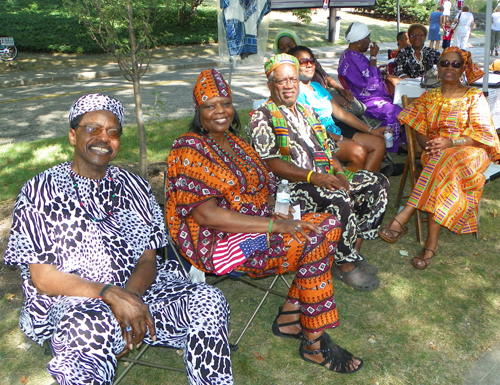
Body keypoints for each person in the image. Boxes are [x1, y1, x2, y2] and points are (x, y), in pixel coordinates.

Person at [4, 93, 234, 385]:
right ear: (73, 136)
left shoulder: (134, 186)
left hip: (139, 292)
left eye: (113, 132)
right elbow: (43, 278)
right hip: (77, 302)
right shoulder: (39, 190)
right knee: (87, 328)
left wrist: (131, 299)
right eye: (93, 129)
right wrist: (109, 294)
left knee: (208, 298)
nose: (104, 138)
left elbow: (148, 257)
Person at [166, 69, 364, 373]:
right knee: (314, 240)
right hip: (218, 242)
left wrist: (280, 210)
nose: (220, 111)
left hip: (259, 222)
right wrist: (277, 226)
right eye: (210, 106)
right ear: (198, 111)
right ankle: (312, 341)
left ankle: (290, 318)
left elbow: (266, 188)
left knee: (327, 224)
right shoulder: (188, 148)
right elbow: (207, 216)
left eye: (225, 103)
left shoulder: (238, 144)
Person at [247, 54, 390, 291]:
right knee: (338, 197)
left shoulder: (305, 110)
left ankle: (351, 250)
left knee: (378, 183)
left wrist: (340, 172)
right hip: (290, 188)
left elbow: (326, 148)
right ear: (270, 84)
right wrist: (317, 177)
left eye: (292, 79)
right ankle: (345, 267)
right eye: (282, 81)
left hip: (323, 176)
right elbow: (272, 163)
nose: (289, 85)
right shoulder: (262, 117)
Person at [378, 48, 500, 269]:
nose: (449, 68)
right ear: (438, 67)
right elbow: (419, 130)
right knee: (442, 164)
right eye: (445, 63)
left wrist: (451, 142)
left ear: (463, 68)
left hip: (470, 152)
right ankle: (430, 246)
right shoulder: (428, 97)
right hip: (437, 154)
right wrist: (430, 144)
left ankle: (406, 215)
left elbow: (483, 136)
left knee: (445, 160)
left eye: (455, 64)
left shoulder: (473, 96)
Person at [289, 45, 386, 173]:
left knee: (378, 144)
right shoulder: (294, 92)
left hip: (336, 129)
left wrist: (371, 130)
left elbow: (342, 114)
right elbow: (310, 129)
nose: (309, 65)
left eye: (311, 61)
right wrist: (341, 139)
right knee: (358, 151)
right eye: (303, 62)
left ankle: (365, 185)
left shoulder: (317, 86)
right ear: (292, 66)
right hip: (319, 138)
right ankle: (349, 188)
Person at [338, 21, 404, 153]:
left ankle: (402, 142)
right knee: (394, 110)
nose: (369, 42)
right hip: (364, 100)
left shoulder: (353, 55)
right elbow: (371, 84)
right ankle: (388, 147)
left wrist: (378, 71)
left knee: (404, 105)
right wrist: (373, 57)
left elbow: (368, 74)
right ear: (359, 41)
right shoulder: (351, 59)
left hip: (371, 96)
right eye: (367, 38)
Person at [273, 29, 364, 117]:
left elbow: (326, 77)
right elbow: (303, 97)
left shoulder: (309, 60)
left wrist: (340, 89)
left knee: (358, 106)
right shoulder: (284, 70)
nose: (286, 49)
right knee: (351, 110)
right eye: (282, 48)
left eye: (290, 46)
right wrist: (332, 99)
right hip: (319, 101)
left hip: (324, 92)